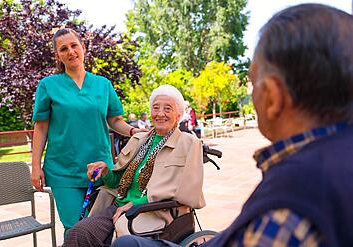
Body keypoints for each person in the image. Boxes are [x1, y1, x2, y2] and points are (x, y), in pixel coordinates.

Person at [111, 3, 353, 247]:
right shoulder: (330, 162)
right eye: (156, 108)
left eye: (253, 83)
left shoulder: (290, 204)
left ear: (272, 96)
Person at [62, 84, 205, 247]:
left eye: (167, 109)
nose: (160, 113)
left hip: (154, 212)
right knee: (78, 234)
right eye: (156, 108)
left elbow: (187, 193)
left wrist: (136, 203)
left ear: (178, 115)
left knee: (119, 242)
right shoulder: (140, 139)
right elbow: (117, 182)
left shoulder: (189, 143)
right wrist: (106, 172)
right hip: (118, 205)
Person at [31, 28, 140, 235]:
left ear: (83, 48)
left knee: (103, 227)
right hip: (64, 171)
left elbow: (114, 120)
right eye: (64, 49)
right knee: (75, 229)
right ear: (58, 56)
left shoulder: (103, 84)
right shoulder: (48, 86)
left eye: (74, 45)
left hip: (102, 170)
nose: (71, 51)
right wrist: (35, 166)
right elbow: (41, 126)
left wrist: (134, 131)